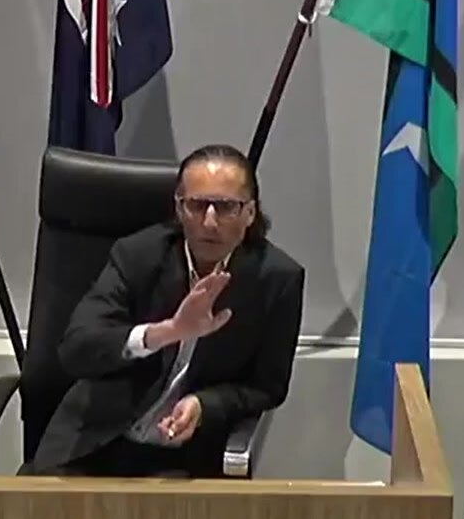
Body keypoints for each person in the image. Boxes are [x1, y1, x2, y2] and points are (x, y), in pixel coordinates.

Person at [27, 144, 305, 477]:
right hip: (94, 442)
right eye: (197, 205)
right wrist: (168, 331)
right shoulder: (137, 255)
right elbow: (76, 350)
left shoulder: (277, 280)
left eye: (227, 207)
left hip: (186, 456)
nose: (210, 221)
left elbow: (268, 386)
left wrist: (205, 405)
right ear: (179, 208)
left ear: (250, 213)